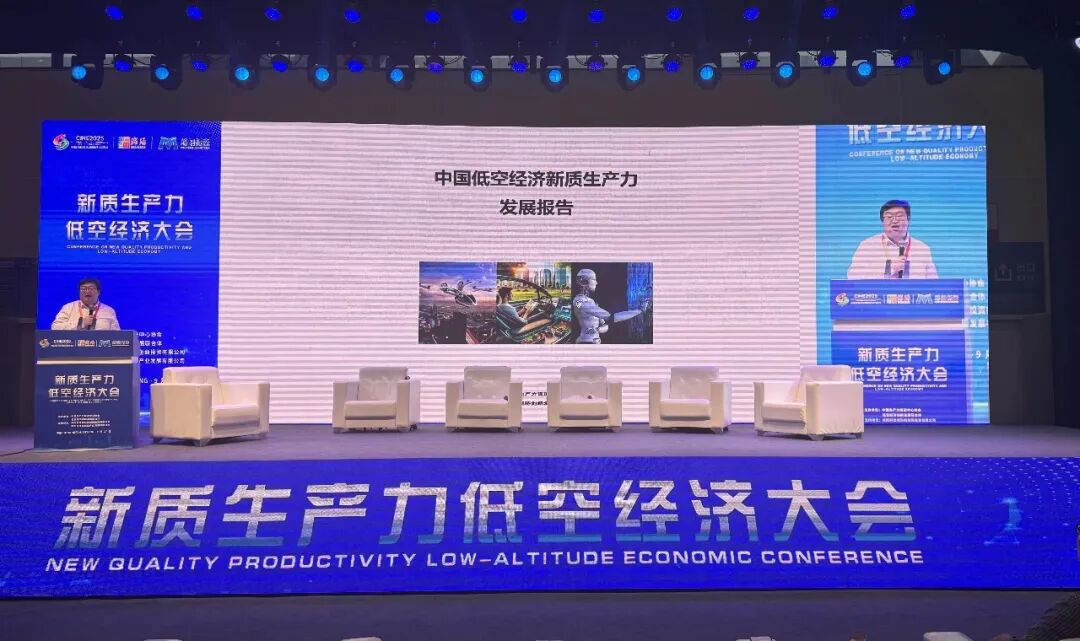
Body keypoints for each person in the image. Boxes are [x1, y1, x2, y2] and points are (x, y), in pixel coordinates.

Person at [846, 200, 939, 279]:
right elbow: (853, 276)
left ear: (908, 219)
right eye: (889, 217)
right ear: (882, 221)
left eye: (899, 216)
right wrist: (890, 268)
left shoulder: (922, 248)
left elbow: (933, 283)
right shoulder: (867, 246)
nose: (894, 221)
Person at [572, 268, 650, 344]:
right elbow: (611, 317)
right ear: (585, 282)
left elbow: (603, 324)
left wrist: (599, 329)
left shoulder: (591, 301)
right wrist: (640, 310)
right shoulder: (578, 301)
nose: (596, 283)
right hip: (586, 342)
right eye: (594, 279)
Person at [50, 278, 121, 330]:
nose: (87, 291)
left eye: (91, 288)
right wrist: (81, 323)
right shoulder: (68, 308)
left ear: (98, 292)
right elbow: (55, 327)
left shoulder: (109, 311)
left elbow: (116, 335)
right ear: (79, 292)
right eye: (83, 289)